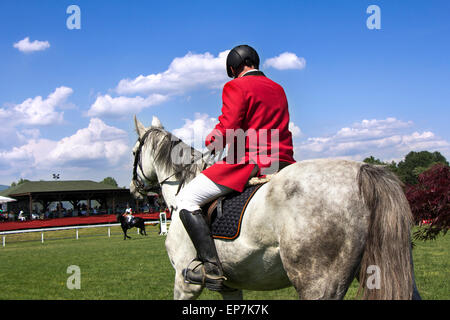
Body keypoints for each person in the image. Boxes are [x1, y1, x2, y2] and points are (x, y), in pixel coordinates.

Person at [176, 44, 296, 291]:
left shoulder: (235, 86)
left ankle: (210, 267)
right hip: (282, 161)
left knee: (187, 198)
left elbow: (228, 127)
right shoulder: (278, 88)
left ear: (233, 68)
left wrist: (211, 140)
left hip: (253, 162)